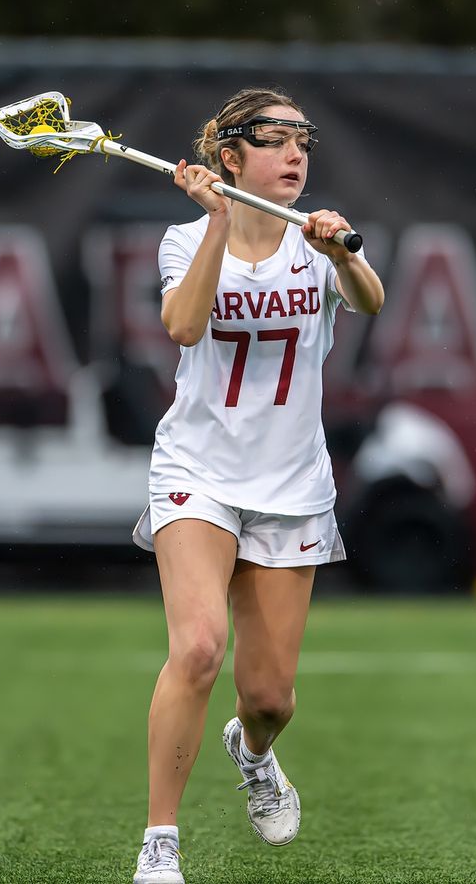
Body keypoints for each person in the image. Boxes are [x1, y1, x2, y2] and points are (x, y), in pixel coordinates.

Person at [129, 86, 385, 884]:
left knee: (270, 697)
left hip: (292, 484)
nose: (296, 157)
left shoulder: (319, 242)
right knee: (199, 646)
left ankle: (254, 750)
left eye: (302, 142)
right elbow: (183, 325)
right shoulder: (183, 237)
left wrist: (344, 251)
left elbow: (372, 301)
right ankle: (160, 843)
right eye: (275, 143)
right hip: (197, 475)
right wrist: (214, 223)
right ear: (229, 157)